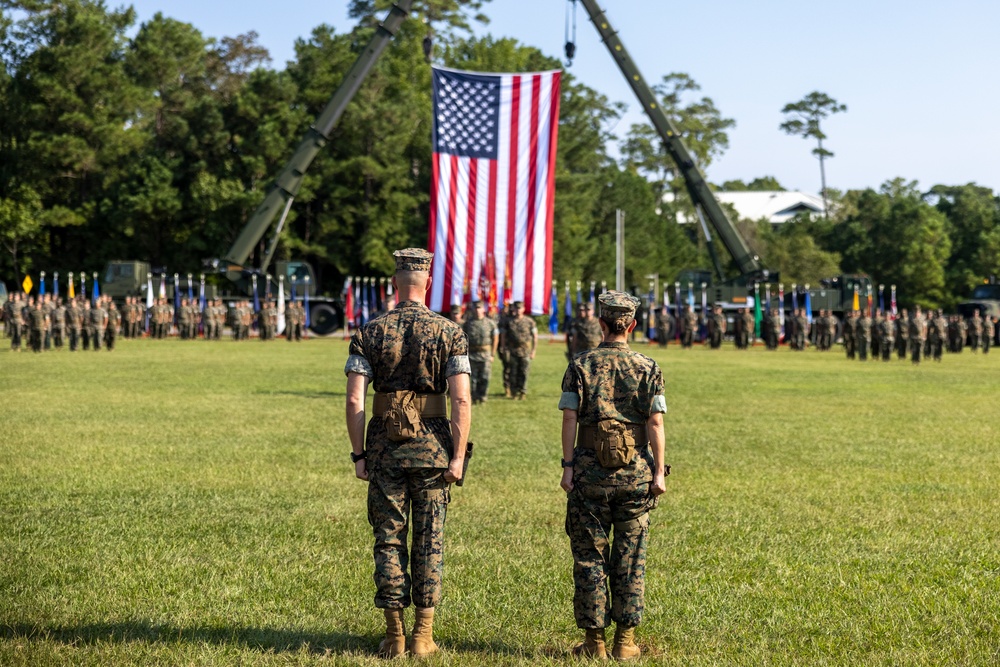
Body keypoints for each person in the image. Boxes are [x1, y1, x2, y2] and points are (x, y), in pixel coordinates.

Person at [344, 248, 470, 659]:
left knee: (388, 540)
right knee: (429, 541)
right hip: (434, 452)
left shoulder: (369, 331)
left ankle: (394, 636)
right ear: (427, 283)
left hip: (384, 451)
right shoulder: (449, 332)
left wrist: (359, 454)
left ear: (395, 283)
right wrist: (457, 457)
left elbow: (354, 401)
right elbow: (461, 401)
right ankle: (422, 636)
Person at [558, 291, 667, 660]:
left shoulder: (581, 364)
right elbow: (655, 422)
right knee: (630, 557)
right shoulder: (648, 366)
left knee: (589, 556)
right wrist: (659, 473)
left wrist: (568, 466)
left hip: (590, 471)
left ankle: (594, 644)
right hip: (636, 471)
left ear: (601, 324)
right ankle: (626, 643)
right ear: (632, 325)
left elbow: (569, 418)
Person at [463, 300, 498, 403]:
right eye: (476, 308)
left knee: (485, 377)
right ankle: (473, 397)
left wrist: (493, 354)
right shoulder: (468, 324)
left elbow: (495, 338)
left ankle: (483, 396)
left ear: (483, 309)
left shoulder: (490, 323)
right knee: (472, 378)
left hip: (485, 354)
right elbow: (463, 338)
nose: (478, 310)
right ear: (473, 309)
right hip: (472, 354)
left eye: (479, 308)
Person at [501, 300, 537, 400]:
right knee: (513, 372)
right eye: (516, 308)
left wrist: (533, 350)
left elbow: (535, 336)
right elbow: (503, 336)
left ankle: (523, 391)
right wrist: (503, 349)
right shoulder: (508, 321)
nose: (518, 310)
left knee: (524, 372)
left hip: (525, 350)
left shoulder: (529, 321)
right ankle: (514, 392)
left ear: (523, 309)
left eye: (520, 308)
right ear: (513, 309)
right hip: (512, 350)